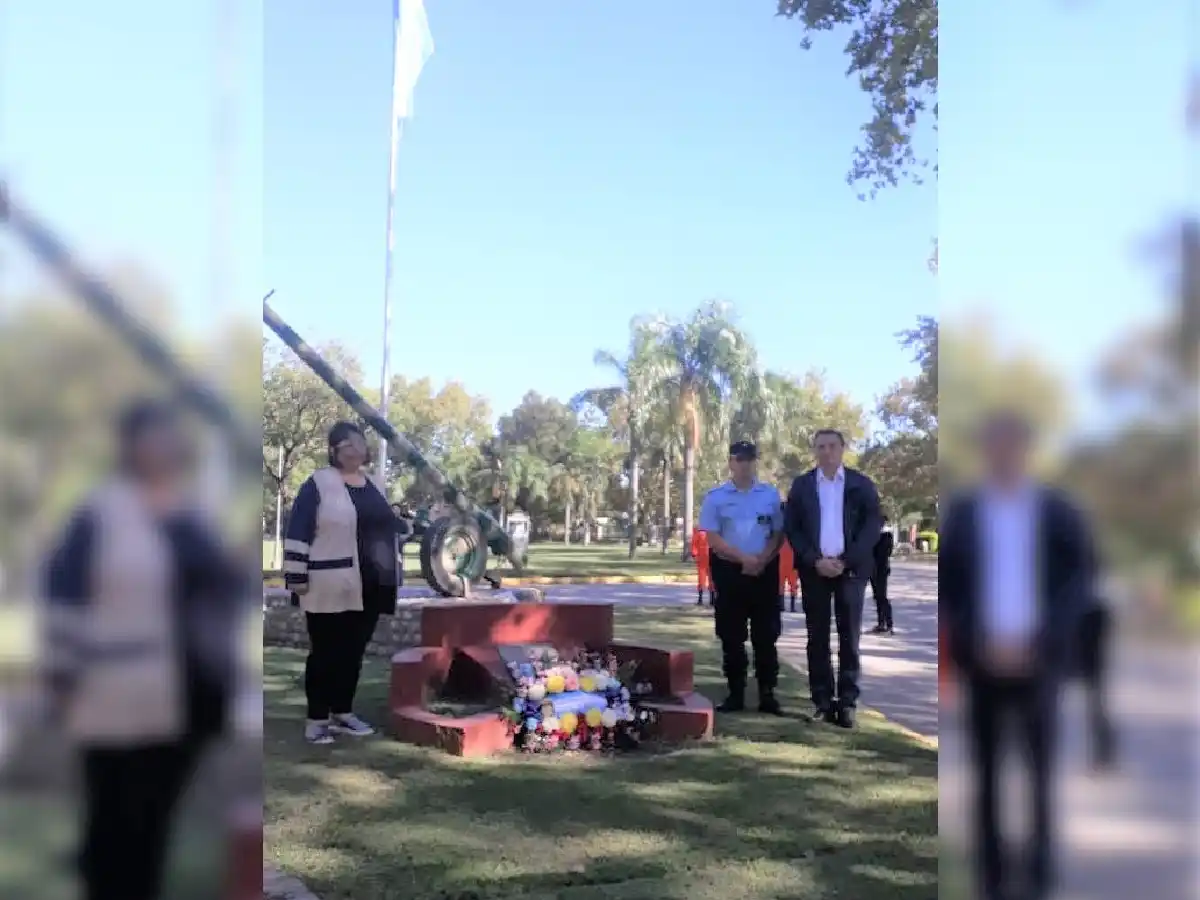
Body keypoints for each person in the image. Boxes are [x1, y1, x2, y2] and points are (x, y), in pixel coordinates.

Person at [40, 398, 244, 900]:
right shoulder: (100, 513)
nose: (163, 446)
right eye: (151, 436)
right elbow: (64, 600)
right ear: (130, 446)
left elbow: (220, 590)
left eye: (168, 436)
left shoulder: (193, 514)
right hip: (115, 692)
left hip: (192, 694)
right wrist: (61, 682)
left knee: (152, 824)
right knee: (113, 822)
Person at [939, 410, 1095, 900]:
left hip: (1039, 663)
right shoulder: (965, 512)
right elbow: (951, 587)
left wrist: (1043, 641)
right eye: (996, 443)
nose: (1004, 452)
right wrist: (974, 641)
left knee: (1039, 774)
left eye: (1014, 444)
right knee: (985, 775)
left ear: (1027, 450)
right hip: (982, 662)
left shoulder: (1057, 510)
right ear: (987, 449)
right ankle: (993, 877)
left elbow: (1080, 582)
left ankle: (1041, 873)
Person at [285, 421, 404, 745]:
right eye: (348, 444)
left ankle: (343, 712)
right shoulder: (318, 484)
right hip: (329, 582)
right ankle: (317, 719)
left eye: (360, 443)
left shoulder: (376, 485)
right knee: (325, 652)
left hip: (371, 585)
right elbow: (299, 530)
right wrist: (295, 576)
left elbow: (384, 527)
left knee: (353, 653)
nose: (356, 449)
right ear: (334, 449)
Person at [783, 428, 882, 728]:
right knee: (817, 638)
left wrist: (845, 560)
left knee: (849, 638)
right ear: (814, 450)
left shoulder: (860, 484)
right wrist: (815, 560)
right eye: (820, 446)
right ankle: (822, 701)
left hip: (850, 571)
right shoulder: (802, 486)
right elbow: (793, 528)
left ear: (842, 448)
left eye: (831, 446)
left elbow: (872, 526)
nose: (826, 451)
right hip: (815, 571)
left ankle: (848, 702)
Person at [698, 441, 786, 715]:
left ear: (755, 462)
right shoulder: (716, 497)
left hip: (764, 571)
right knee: (731, 636)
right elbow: (713, 538)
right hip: (729, 572)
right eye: (739, 459)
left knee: (766, 636)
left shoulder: (770, 495)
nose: (744, 464)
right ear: (730, 462)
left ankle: (767, 694)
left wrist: (760, 559)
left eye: (749, 459)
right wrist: (743, 558)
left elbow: (777, 534)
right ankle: (735, 693)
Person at [870, 516, 895, 634]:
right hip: (873, 569)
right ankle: (881, 623)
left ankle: (889, 624)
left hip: (881, 570)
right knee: (878, 597)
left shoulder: (885, 536)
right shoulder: (874, 536)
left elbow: (885, 553)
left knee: (881, 597)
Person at [778, 502, 799, 612]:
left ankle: (782, 604)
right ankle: (792, 606)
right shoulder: (793, 519)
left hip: (783, 547)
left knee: (781, 578)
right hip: (790, 547)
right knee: (792, 578)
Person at [691, 526, 713, 605]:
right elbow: (694, 544)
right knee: (702, 579)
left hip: (711, 558)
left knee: (711, 579)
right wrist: (694, 554)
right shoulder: (699, 531)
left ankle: (712, 600)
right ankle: (701, 599)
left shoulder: (713, 530)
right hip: (703, 559)